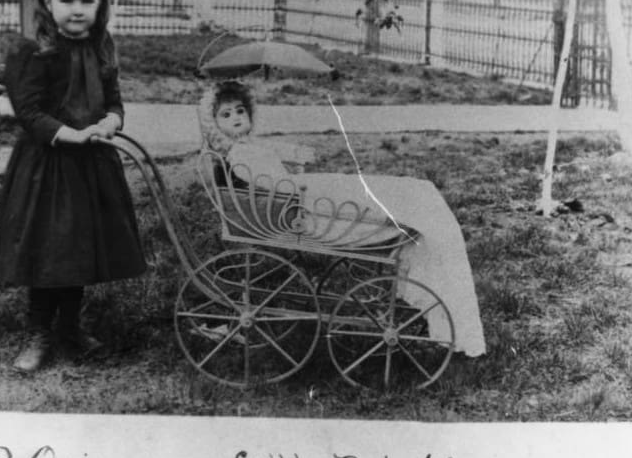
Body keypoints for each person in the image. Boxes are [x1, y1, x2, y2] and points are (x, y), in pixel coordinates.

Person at [197, 80, 486, 357]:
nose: (236, 117)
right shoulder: (239, 155)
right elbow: (269, 184)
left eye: (240, 110)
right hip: (299, 205)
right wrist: (297, 182)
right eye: (225, 114)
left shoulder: (249, 149)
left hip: (296, 195)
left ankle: (413, 210)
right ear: (215, 126)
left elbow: (271, 174)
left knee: (403, 191)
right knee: (401, 194)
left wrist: (292, 162)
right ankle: (413, 214)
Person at [0, 0, 148, 373]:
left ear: (100, 3)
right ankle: (40, 330)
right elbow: (29, 112)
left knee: (79, 250)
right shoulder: (33, 50)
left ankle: (70, 327)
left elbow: (114, 100)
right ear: (47, 0)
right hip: (49, 166)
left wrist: (111, 122)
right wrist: (67, 135)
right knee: (49, 250)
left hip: (91, 167)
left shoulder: (101, 47)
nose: (77, 9)